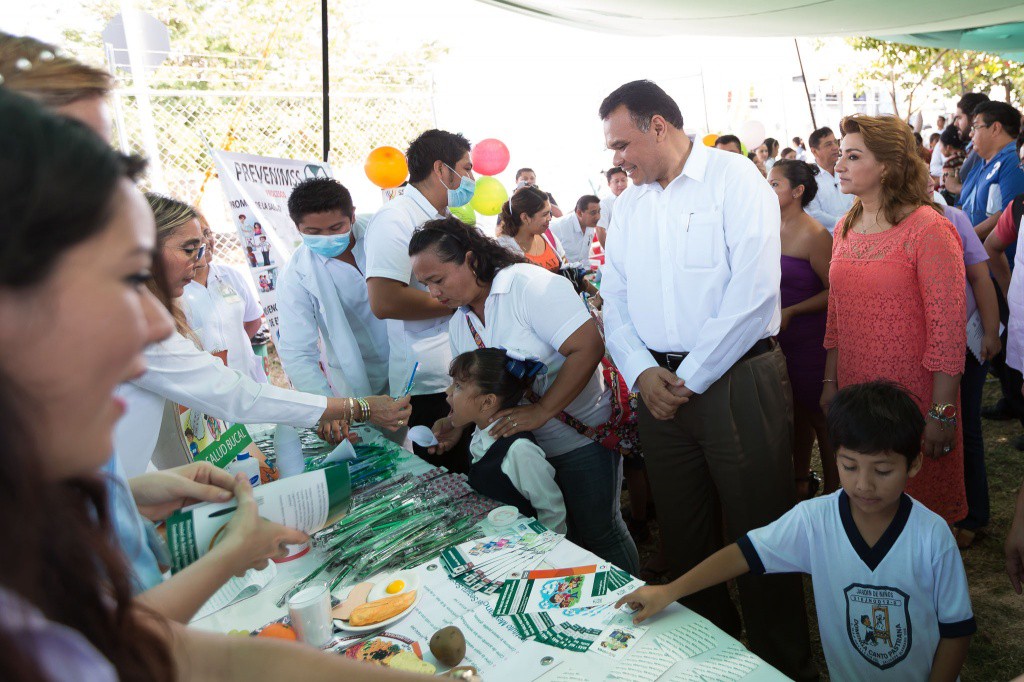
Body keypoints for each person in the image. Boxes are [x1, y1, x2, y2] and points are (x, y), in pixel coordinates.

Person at [0, 86, 427, 682]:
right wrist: (226, 557)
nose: (151, 327)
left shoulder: (54, 497)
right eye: (121, 281)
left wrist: (134, 487)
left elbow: (155, 645)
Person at [598, 80, 815, 680]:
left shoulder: (735, 180)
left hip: (735, 380)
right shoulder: (630, 204)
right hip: (657, 388)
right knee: (684, 530)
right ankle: (709, 658)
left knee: (761, 527)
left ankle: (782, 661)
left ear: (658, 126)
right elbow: (611, 297)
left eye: (622, 144)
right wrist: (642, 370)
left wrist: (686, 378)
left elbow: (751, 296)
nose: (617, 159)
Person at [617, 382, 975, 681]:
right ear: (834, 457)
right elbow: (744, 554)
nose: (863, 484)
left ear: (913, 464)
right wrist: (669, 591)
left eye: (882, 471)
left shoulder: (933, 536)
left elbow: (956, 631)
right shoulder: (813, 520)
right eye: (849, 466)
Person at [114, 193, 409, 477]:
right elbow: (234, 393)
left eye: (201, 248)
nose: (200, 259)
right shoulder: (131, 322)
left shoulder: (135, 308)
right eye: (189, 249)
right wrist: (357, 407)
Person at [409, 217, 640, 575]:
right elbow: (475, 388)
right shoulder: (461, 322)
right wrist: (456, 424)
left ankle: (636, 609)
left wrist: (543, 410)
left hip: (578, 439)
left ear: (471, 260)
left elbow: (588, 346)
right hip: (523, 449)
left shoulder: (527, 286)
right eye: (426, 285)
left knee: (599, 533)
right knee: (560, 537)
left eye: (438, 280)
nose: (433, 294)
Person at [821, 113, 967, 525]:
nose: (839, 164)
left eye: (853, 156)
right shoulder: (844, 226)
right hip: (856, 390)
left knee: (916, 520)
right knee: (866, 505)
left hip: (913, 399)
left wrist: (941, 412)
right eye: (840, 155)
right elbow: (837, 316)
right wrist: (831, 383)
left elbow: (948, 331)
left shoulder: (928, 230)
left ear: (886, 165)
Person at [365, 129, 474, 472]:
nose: (472, 179)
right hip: (430, 380)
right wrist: (457, 299)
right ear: (442, 170)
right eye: (466, 169)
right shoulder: (395, 218)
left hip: (460, 367)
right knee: (451, 476)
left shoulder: (446, 219)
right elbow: (384, 301)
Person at [277, 178, 391, 424]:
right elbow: (298, 353)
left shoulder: (383, 231)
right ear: (297, 227)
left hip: (412, 361)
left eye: (336, 227)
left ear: (352, 215)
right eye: (313, 233)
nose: (327, 238)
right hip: (359, 376)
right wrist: (329, 411)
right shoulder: (295, 275)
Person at [768, 159, 836, 496]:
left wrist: (794, 311)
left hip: (808, 338)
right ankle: (800, 478)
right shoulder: (766, 227)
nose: (768, 191)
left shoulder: (816, 234)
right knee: (791, 412)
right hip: (775, 338)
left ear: (797, 191)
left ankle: (837, 491)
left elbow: (834, 292)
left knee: (820, 416)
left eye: (775, 184)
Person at [938, 199, 1001, 550]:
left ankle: (974, 514)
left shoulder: (952, 217)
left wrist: (990, 331)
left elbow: (980, 275)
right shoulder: (880, 216)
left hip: (966, 340)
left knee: (966, 427)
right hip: (920, 347)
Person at [446, 348, 566, 533]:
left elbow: (553, 514)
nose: (448, 391)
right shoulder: (479, 431)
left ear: (487, 402)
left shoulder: (520, 450)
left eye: (458, 386)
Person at [183, 212, 267, 383]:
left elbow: (253, 320)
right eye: (196, 240)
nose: (205, 242)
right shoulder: (176, 290)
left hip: (248, 378)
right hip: (207, 386)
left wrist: (236, 350)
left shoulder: (231, 276)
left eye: (207, 233)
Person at [956, 101, 1024, 241]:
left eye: (976, 127)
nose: (970, 134)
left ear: (995, 128)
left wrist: (965, 239)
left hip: (999, 260)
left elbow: (1009, 214)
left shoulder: (1014, 159)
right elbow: (961, 205)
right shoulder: (980, 164)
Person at [496, 184, 567, 272]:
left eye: (550, 213)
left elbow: (565, 265)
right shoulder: (503, 249)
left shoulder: (549, 236)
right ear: (525, 218)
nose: (550, 218)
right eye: (545, 214)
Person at [805, 126, 854, 233]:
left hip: (857, 229)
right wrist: (842, 223)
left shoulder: (847, 168)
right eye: (828, 144)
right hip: (830, 237)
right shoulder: (809, 177)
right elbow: (814, 212)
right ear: (814, 151)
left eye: (835, 142)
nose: (835, 147)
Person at [549, 194, 601, 266]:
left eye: (599, 212)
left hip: (579, 272)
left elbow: (583, 258)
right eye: (593, 213)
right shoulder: (558, 227)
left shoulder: (590, 225)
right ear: (580, 213)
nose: (598, 217)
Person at [954, 92, 990, 186]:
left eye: (959, 118)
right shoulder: (972, 148)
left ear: (974, 118)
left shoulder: (982, 150)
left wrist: (954, 186)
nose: (955, 123)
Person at [596, 166, 629, 246]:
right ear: (609, 184)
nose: (620, 184)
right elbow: (600, 229)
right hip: (617, 248)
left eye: (623, 180)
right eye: (616, 181)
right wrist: (609, 252)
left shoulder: (633, 198)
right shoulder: (604, 203)